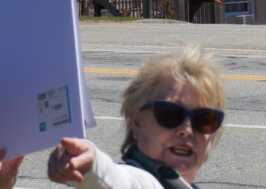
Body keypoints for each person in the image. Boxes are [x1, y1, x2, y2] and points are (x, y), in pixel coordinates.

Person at [48, 44, 226, 189]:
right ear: (136, 123)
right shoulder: (142, 181)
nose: (187, 130)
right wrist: (91, 165)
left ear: (211, 139)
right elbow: (121, 180)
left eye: (204, 120)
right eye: (170, 114)